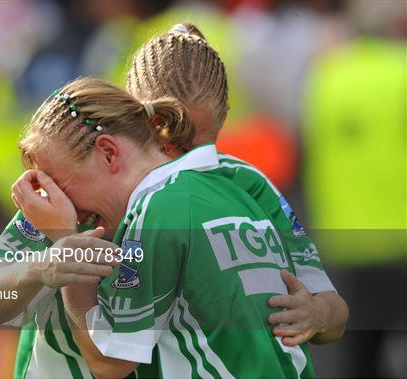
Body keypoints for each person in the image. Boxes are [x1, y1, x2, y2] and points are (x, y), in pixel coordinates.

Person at [0, 23, 348, 378]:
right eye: (169, 134)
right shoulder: (63, 196)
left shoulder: (228, 185)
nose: (183, 154)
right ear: (142, 118)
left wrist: (318, 314)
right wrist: (47, 264)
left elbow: (331, 311)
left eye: (199, 141)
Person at [17, 76, 315, 378]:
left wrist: (65, 245)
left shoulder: (155, 208)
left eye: (62, 185)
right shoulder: (238, 181)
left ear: (108, 152)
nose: (67, 207)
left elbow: (109, 362)